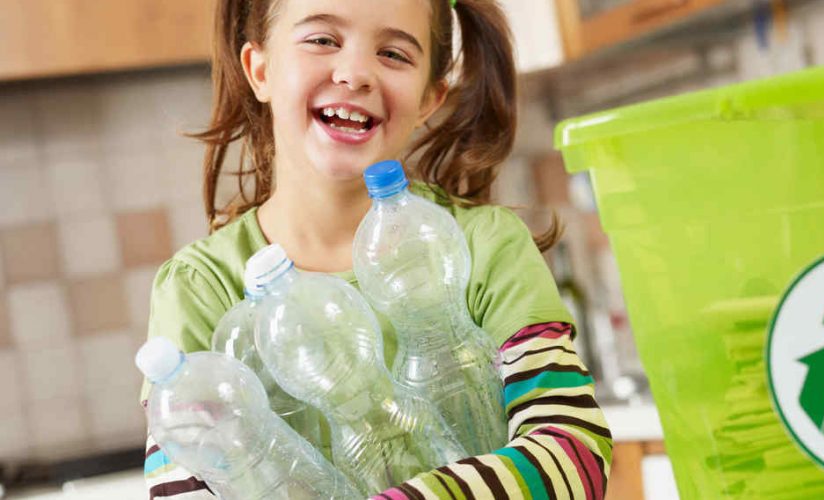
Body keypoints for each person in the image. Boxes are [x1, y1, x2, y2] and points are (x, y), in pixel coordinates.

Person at [139, 0, 611, 497]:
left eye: (393, 54)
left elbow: (572, 452)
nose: (356, 73)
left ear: (431, 96)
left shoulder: (486, 246)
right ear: (260, 70)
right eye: (322, 40)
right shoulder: (201, 288)